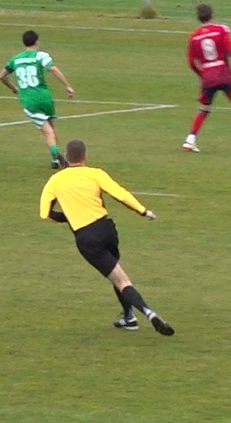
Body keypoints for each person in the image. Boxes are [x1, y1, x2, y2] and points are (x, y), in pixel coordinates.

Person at [40, 139, 172, 335]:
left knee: (122, 281)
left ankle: (148, 312)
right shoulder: (96, 173)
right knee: (116, 272)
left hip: (87, 238)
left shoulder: (55, 180)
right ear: (85, 156)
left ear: (66, 157)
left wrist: (70, 216)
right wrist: (143, 211)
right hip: (107, 229)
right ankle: (129, 318)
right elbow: (121, 195)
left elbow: (45, 213)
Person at [184, 3, 231, 153]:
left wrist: (202, 74)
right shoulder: (221, 30)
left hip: (208, 78)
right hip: (224, 75)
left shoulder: (194, 37)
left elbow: (191, 62)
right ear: (212, 15)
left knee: (203, 109)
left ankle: (189, 140)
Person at [1, 30, 76, 169]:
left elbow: (2, 76)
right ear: (37, 42)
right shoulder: (41, 55)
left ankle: (56, 154)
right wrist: (67, 86)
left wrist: (14, 88)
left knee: (47, 132)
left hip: (29, 101)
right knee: (52, 128)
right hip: (45, 97)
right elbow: (53, 69)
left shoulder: (15, 59)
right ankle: (55, 159)